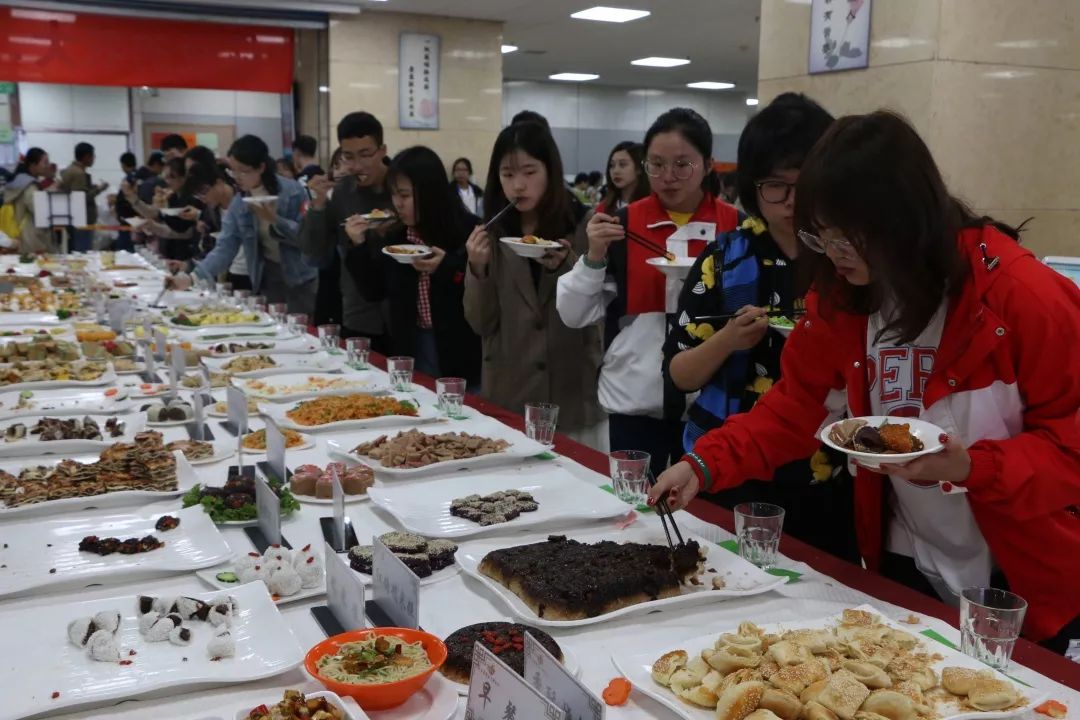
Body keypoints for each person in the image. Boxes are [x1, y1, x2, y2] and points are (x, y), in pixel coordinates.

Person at [648, 110, 1080, 653]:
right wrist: (702, 463)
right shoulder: (842, 301)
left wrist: (974, 467)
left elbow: (1071, 448)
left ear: (904, 220)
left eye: (847, 237)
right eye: (820, 235)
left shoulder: (1025, 298)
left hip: (1019, 575)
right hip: (906, 558)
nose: (832, 253)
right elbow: (792, 409)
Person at [662, 94, 856, 560]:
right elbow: (679, 373)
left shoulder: (848, 261)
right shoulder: (726, 258)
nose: (793, 201)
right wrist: (729, 339)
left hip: (826, 471)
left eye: (805, 184)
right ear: (753, 186)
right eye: (776, 186)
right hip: (726, 469)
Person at [556, 108, 739, 476]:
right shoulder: (621, 225)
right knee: (633, 512)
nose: (668, 177)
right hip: (634, 401)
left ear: (708, 165)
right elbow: (573, 314)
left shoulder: (735, 227)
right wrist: (593, 256)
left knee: (703, 519)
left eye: (682, 164)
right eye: (656, 165)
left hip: (713, 407)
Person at [464, 121, 604, 446]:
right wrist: (477, 268)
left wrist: (568, 266)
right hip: (510, 394)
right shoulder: (492, 233)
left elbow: (594, 313)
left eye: (529, 172)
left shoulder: (583, 226)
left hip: (571, 394)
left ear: (550, 171)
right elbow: (480, 322)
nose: (518, 186)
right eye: (508, 174)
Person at [344, 146, 481, 383]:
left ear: (430, 193)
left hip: (459, 350)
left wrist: (447, 267)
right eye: (394, 195)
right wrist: (359, 245)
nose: (397, 203)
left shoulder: (469, 231)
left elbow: (484, 293)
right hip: (411, 345)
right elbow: (373, 291)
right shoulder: (398, 237)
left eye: (405, 195)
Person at [168, 135, 318, 314]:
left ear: (261, 167)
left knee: (301, 328)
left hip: (300, 275)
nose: (237, 177)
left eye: (243, 171)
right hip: (267, 275)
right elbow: (225, 247)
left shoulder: (293, 191)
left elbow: (308, 239)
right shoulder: (240, 203)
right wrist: (191, 277)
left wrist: (275, 220)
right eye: (233, 171)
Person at [301, 112, 393, 346]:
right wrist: (318, 204)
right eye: (348, 157)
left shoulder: (402, 187)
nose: (356, 166)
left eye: (365, 155)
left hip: (403, 312)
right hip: (358, 313)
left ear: (382, 151)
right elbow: (314, 254)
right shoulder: (342, 193)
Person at [2, 148, 56, 253]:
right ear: (33, 165)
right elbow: (40, 211)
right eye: (45, 162)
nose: (48, 166)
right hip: (32, 239)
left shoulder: (18, 181)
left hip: (19, 236)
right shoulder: (30, 186)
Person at [59, 142, 108, 252]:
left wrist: (91, 188)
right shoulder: (79, 173)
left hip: (72, 219)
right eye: (93, 156)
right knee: (82, 253)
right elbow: (81, 199)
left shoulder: (69, 170)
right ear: (86, 156)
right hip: (82, 219)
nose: (94, 159)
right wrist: (99, 189)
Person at [597, 141, 649, 213]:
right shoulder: (603, 207)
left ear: (639, 169)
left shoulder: (653, 206)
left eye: (622, 164)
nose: (615, 171)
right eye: (612, 165)